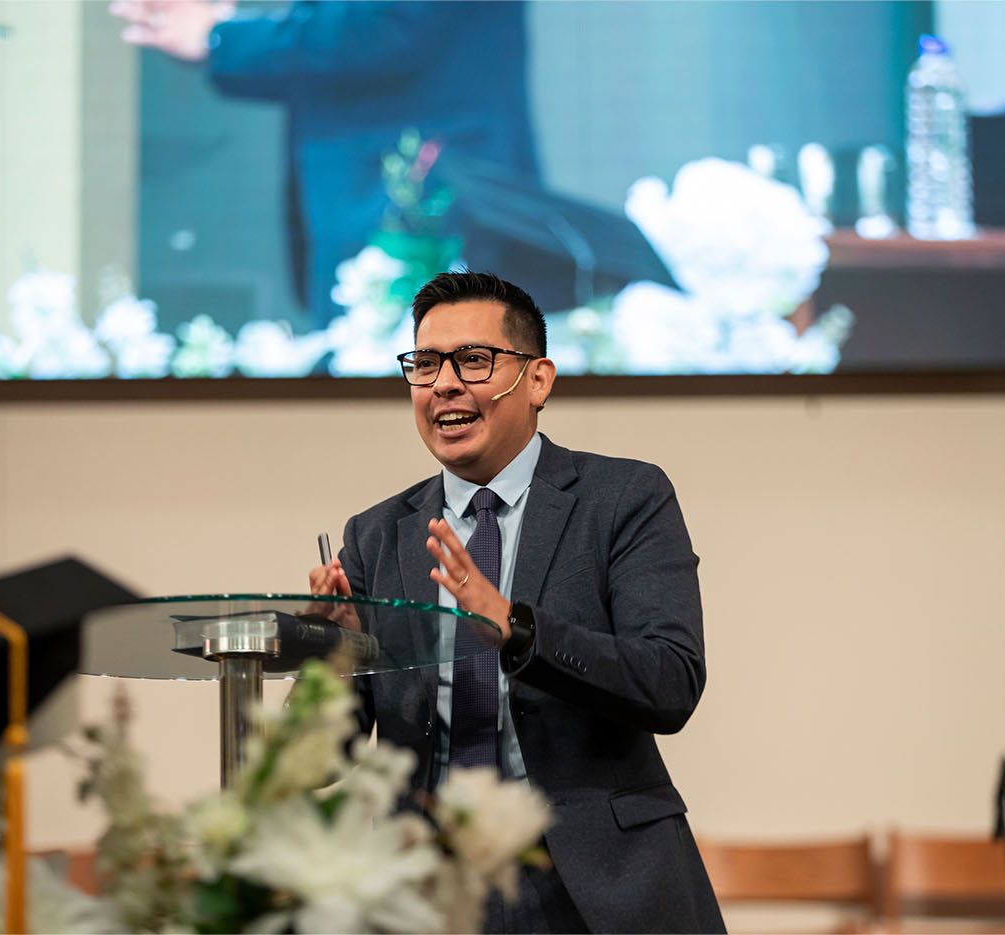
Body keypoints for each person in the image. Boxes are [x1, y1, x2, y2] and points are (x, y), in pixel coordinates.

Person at [309, 271, 725, 933]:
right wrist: (331, 660)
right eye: (425, 364)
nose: (445, 384)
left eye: (474, 360)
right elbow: (323, 760)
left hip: (593, 883)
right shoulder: (376, 535)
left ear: (538, 380)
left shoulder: (624, 499)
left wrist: (516, 630)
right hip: (428, 890)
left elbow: (670, 680)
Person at [109, 1, 539, 327]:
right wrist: (227, 36)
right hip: (387, 192)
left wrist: (225, 37)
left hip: (426, 196)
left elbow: (383, 28)